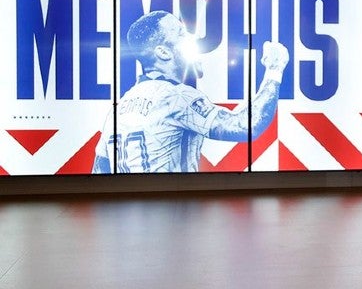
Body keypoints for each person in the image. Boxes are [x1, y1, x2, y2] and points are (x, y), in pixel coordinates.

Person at [93, 10, 288, 173]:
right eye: (181, 33)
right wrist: (275, 69)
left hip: (132, 206)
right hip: (173, 205)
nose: (191, 38)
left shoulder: (119, 108)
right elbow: (246, 126)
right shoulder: (176, 96)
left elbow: (99, 171)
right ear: (163, 52)